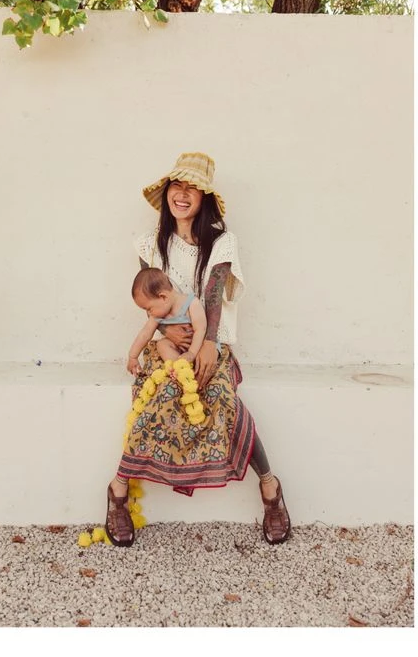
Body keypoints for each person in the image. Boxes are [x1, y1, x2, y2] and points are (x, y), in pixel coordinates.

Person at [105, 151, 291, 548]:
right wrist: (167, 337)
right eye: (177, 186)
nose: (183, 194)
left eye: (193, 188)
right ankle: (118, 491)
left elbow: (213, 295)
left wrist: (207, 345)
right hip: (166, 344)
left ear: (204, 198)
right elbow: (152, 298)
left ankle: (270, 487)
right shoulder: (150, 244)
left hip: (210, 340)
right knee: (157, 396)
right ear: (166, 193)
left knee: (223, 398)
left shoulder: (222, 242)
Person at [127, 267, 207, 374]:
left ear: (163, 297)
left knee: (205, 349)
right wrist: (132, 356)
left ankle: (188, 368)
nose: (149, 313)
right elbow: (145, 334)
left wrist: (191, 353)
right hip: (177, 349)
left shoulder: (191, 303)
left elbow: (201, 330)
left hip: (196, 346)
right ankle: (179, 370)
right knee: (162, 345)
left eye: (149, 309)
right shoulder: (159, 313)